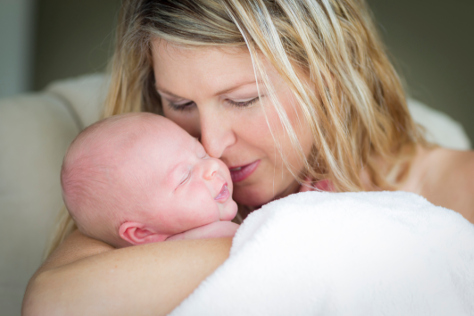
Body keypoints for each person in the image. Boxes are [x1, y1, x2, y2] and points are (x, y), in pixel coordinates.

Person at [23, 0, 474, 315]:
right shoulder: (140, 195)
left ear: (329, 77)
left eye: (242, 99)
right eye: (179, 104)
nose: (212, 146)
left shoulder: (451, 186)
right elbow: (56, 303)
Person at [61, 113, 239, 248]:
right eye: (184, 177)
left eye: (201, 153)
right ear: (143, 232)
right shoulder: (214, 241)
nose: (212, 167)